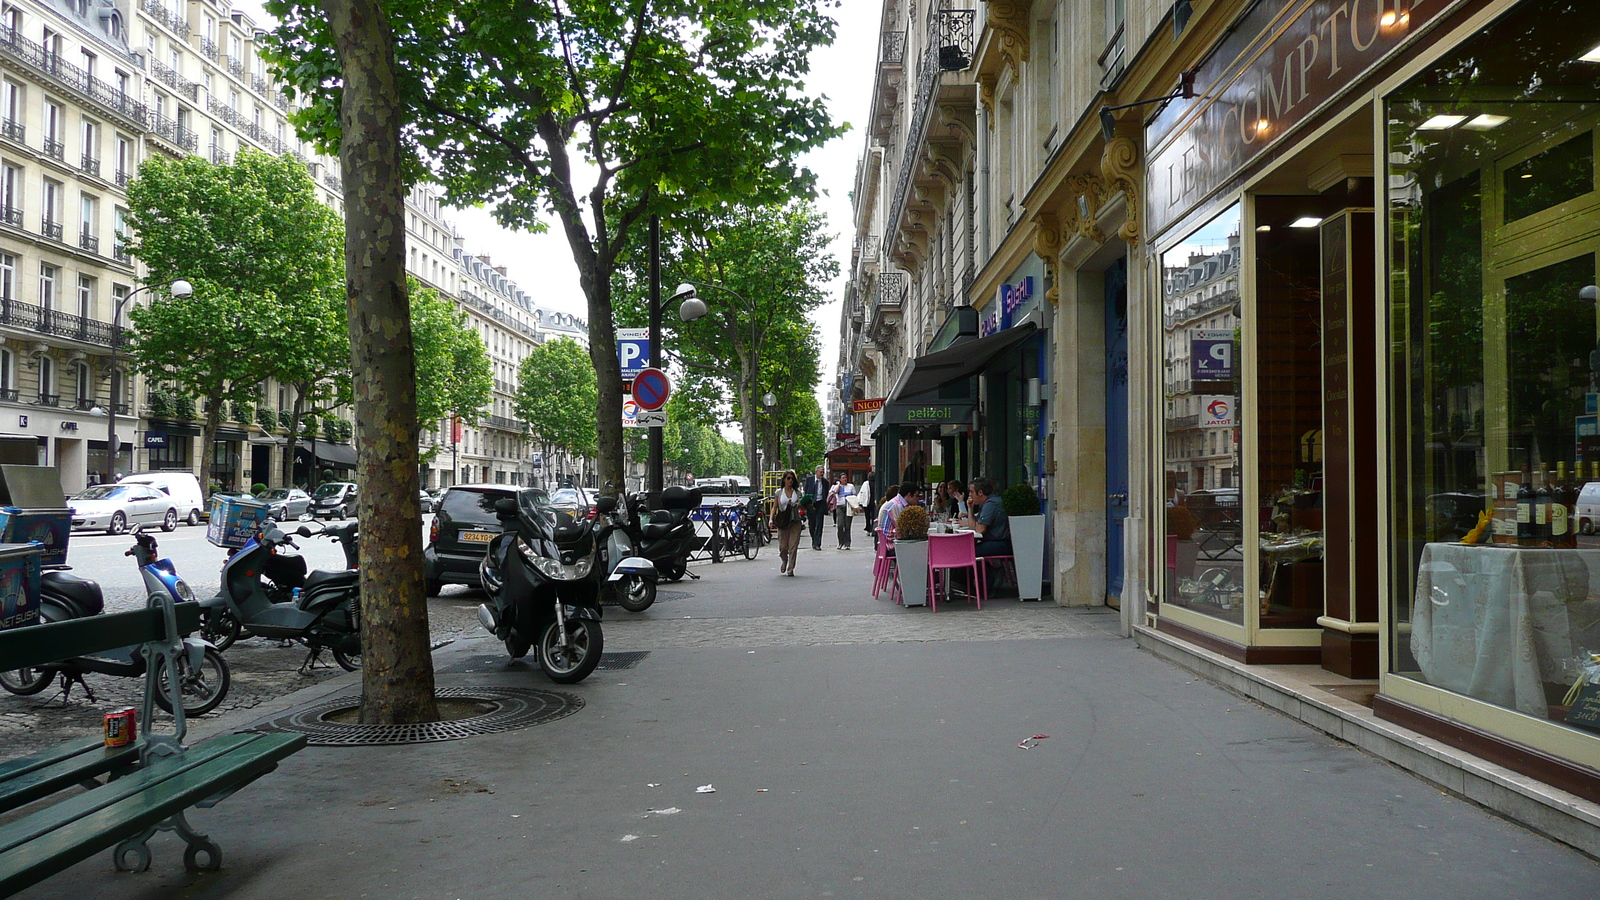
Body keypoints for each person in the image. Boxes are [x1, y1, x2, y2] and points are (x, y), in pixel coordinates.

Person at [962, 476, 1012, 560]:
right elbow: (973, 527)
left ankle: (972, 573)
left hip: (1001, 543)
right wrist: (970, 508)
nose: (970, 495)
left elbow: (979, 530)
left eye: (971, 492)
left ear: (980, 492)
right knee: (965, 550)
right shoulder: (987, 503)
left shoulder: (991, 504)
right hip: (995, 542)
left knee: (965, 551)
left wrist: (976, 525)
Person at [771, 469, 805, 576]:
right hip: (783, 521)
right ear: (784, 480)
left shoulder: (798, 493)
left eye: (792, 478)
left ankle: (791, 568)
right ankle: (784, 560)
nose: (790, 480)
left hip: (795, 521)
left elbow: (803, 507)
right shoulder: (779, 492)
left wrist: (801, 505)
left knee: (793, 546)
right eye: (788, 478)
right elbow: (774, 507)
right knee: (783, 547)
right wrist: (771, 519)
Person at [803, 465, 829, 551]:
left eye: (823, 472)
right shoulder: (809, 480)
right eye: (821, 472)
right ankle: (813, 540)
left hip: (820, 503)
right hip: (811, 504)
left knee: (819, 524)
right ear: (816, 472)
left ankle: (817, 543)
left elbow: (826, 493)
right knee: (812, 524)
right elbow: (806, 491)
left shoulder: (825, 482)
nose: (822, 474)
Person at [828, 472, 854, 550]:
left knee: (847, 526)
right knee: (840, 525)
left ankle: (847, 543)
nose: (845, 479)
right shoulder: (836, 487)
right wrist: (839, 484)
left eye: (845, 478)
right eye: (843, 478)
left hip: (848, 507)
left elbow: (854, 496)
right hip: (840, 506)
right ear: (840, 479)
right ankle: (840, 542)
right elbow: (835, 492)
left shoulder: (850, 486)